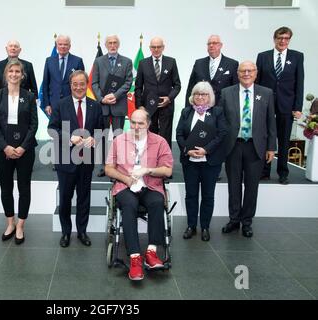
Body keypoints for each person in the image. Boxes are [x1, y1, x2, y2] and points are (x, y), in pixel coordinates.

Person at [105, 108, 173, 281]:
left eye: (140, 123)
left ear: (148, 124)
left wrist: (148, 170)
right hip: (125, 186)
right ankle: (135, 257)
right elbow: (108, 168)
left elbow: (168, 169)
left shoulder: (160, 142)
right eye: (133, 122)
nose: (136, 126)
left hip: (150, 185)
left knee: (157, 202)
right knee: (129, 205)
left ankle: (151, 253)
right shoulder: (119, 140)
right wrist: (126, 179)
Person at [220, 61, 276, 238]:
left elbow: (271, 122)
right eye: (243, 70)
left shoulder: (266, 93)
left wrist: (271, 148)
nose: (246, 73)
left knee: (252, 187)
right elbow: (220, 121)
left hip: (256, 146)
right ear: (237, 73)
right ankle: (234, 220)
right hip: (233, 146)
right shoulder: (226, 93)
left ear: (256, 73)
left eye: (250, 70)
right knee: (233, 185)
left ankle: (247, 222)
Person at [47, 71, 103, 248]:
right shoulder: (61, 105)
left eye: (81, 84)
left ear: (86, 84)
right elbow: (52, 129)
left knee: (84, 197)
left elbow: (101, 129)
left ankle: (82, 231)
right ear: (70, 85)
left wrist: (94, 139)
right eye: (75, 84)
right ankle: (65, 232)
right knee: (65, 198)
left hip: (86, 160)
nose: (78, 87)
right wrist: (69, 138)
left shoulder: (95, 106)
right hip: (65, 161)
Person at [0, 59, 38, 245]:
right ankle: (10, 222)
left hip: (25, 149)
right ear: (6, 74)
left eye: (18, 71)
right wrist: (6, 147)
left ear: (22, 75)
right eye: (11, 71)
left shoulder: (29, 96)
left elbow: (34, 124)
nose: (14, 74)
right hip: (3, 149)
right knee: (6, 187)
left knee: (24, 187)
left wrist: (23, 147)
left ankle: (21, 225)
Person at [176, 82, 228, 241]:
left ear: (210, 97)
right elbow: (179, 134)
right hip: (190, 161)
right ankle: (191, 226)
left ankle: (205, 226)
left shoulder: (217, 112)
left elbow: (222, 133)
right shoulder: (186, 112)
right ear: (193, 96)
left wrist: (206, 150)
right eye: (197, 94)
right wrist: (187, 149)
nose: (200, 97)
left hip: (210, 162)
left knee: (208, 196)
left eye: (204, 94)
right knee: (190, 195)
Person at [256, 27, 304, 185]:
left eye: (286, 38)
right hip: (265, 105)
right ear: (274, 39)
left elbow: (299, 83)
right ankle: (264, 171)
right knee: (265, 139)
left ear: (289, 39)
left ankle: (283, 172)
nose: (283, 41)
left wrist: (297, 107)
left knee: (283, 140)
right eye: (280, 38)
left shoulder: (297, 57)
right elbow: (258, 82)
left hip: (286, 106)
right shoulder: (263, 57)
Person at [92, 35, 133, 177]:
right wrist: (102, 99)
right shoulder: (98, 61)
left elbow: (128, 82)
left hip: (118, 104)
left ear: (119, 44)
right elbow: (94, 83)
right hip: (102, 106)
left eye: (115, 42)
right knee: (102, 137)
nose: (112, 45)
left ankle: (118, 165)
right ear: (105, 45)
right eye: (110, 43)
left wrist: (115, 96)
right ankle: (104, 165)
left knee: (118, 137)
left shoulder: (127, 62)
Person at [135, 37, 181, 150]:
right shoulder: (143, 63)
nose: (156, 49)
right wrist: (139, 106)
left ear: (163, 47)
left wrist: (169, 98)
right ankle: (150, 158)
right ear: (150, 48)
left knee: (165, 134)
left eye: (158, 47)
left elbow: (177, 85)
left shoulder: (171, 62)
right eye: (153, 47)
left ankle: (165, 160)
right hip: (148, 107)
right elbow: (138, 87)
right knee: (150, 134)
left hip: (166, 105)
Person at [185, 35, 238, 107]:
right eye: (209, 44)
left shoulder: (232, 64)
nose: (211, 45)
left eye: (214, 43)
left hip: (223, 108)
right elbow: (191, 88)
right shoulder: (199, 63)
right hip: (201, 109)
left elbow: (235, 89)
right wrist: (187, 110)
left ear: (220, 45)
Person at [41, 35, 85, 117]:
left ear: (70, 46)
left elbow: (82, 85)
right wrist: (47, 104)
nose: (63, 46)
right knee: (53, 129)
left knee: (66, 127)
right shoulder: (49, 61)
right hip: (53, 104)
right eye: (60, 44)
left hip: (71, 103)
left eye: (65, 44)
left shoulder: (78, 61)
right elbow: (45, 84)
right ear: (56, 45)